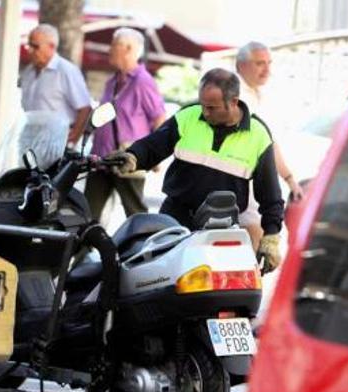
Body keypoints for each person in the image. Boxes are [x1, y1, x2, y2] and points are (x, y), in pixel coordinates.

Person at [107, 68, 284, 272]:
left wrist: (271, 236)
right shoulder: (188, 116)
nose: (205, 112)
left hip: (222, 229)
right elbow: (153, 146)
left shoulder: (258, 135)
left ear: (234, 102)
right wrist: (133, 156)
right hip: (175, 218)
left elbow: (270, 194)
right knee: (156, 279)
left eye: (212, 107)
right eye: (202, 105)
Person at [87, 28, 165, 220]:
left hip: (128, 159)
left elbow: (159, 119)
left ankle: (141, 248)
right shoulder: (113, 81)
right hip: (102, 159)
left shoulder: (143, 82)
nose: (109, 49)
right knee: (87, 212)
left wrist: (155, 156)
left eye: (114, 44)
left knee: (135, 213)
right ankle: (82, 250)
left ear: (129, 49)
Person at [235, 41, 304, 249]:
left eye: (268, 63)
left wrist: (290, 180)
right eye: (259, 63)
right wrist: (289, 179)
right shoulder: (235, 95)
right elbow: (266, 144)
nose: (267, 69)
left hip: (257, 183)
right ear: (241, 66)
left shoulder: (261, 95)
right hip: (242, 181)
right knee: (255, 246)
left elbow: (271, 143)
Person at [20, 24, 92, 147]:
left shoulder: (66, 71)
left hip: (57, 143)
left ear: (51, 46)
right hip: (32, 141)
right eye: (29, 45)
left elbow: (84, 109)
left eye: (35, 46)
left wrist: (72, 140)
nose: (30, 50)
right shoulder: (28, 72)